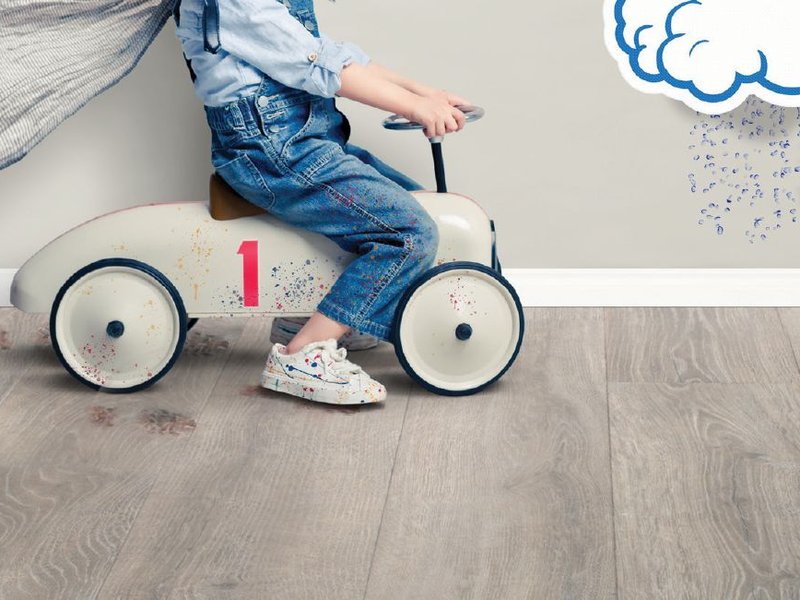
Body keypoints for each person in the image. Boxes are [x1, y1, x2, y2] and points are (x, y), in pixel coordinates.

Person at [174, 0, 469, 405]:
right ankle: (302, 354)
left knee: (416, 203)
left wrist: (424, 92)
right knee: (408, 232)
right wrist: (413, 106)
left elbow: (331, 52)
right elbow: (316, 64)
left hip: (306, 140)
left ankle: (318, 315)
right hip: (272, 150)